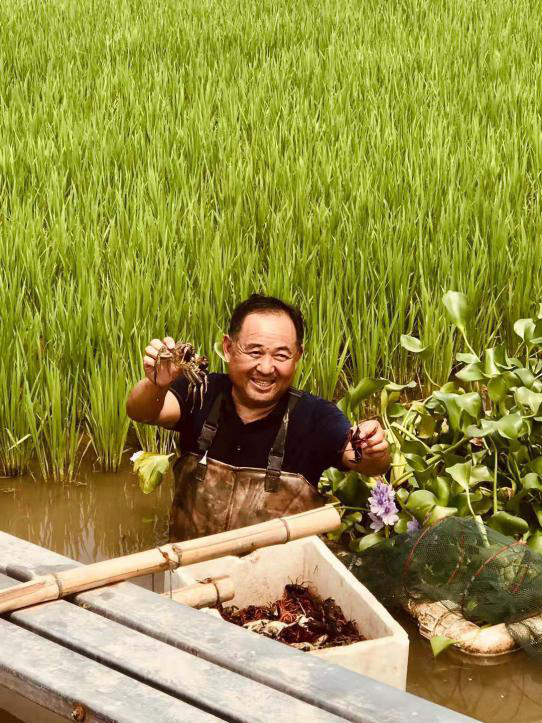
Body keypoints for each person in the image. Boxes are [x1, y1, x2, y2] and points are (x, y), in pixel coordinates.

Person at [126, 294, 390, 541]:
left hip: (280, 583)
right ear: (228, 348)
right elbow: (142, 411)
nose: (265, 368)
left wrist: (372, 449)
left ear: (298, 356)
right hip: (189, 572)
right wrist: (155, 384)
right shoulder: (201, 391)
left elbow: (365, 463)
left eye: (281, 355)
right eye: (254, 352)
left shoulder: (316, 417)